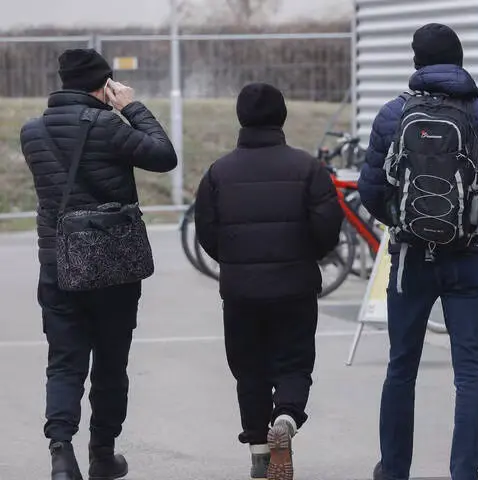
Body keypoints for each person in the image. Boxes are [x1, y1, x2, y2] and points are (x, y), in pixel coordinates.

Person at [358, 23, 478, 480]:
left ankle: (394, 469)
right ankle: (464, 471)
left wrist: (404, 222)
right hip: (468, 255)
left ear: (416, 62)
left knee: (401, 368)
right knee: (469, 372)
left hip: (410, 259)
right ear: (460, 59)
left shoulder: (393, 113)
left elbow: (371, 189)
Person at [19, 48, 178, 480]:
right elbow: (164, 156)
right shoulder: (108, 126)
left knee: (64, 361)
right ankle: (102, 454)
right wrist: (131, 107)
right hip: (112, 265)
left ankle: (60, 454)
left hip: (58, 262)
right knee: (110, 363)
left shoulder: (32, 131)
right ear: (105, 84)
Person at [194, 82, 344, 480]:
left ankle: (261, 455)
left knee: (249, 370)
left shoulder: (219, 172)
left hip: (240, 290)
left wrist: (234, 260)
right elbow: (328, 226)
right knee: (294, 362)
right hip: (295, 286)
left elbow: (206, 230)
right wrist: (307, 255)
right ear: (282, 117)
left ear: (241, 118)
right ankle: (286, 420)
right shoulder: (308, 169)